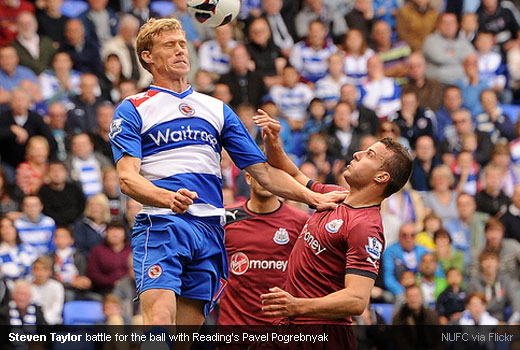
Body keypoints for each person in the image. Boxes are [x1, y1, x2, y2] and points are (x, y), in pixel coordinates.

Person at [110, 17, 347, 330]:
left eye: (183, 44)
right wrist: (167, 198)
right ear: (147, 56)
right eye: (170, 45)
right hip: (164, 223)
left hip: (209, 230)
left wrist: (311, 196)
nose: (181, 51)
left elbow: (262, 171)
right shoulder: (133, 108)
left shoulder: (216, 109)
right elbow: (127, 178)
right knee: (160, 322)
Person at [255, 112, 413, 324]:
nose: (357, 153)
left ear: (381, 177)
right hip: (290, 325)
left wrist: (297, 305)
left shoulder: (366, 227)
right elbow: (292, 176)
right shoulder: (334, 194)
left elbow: (357, 300)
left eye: (370, 155)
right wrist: (272, 141)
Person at [218, 171, 309, 325]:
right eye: (259, 174)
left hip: (279, 331)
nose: (265, 180)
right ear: (248, 178)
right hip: (233, 330)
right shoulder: (227, 218)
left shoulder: (301, 221)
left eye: (271, 175)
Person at [467, 250, 520, 324]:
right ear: (481, 264)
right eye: (486, 260)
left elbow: (515, 302)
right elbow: (470, 306)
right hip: (480, 321)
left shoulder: (505, 281)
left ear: (498, 263)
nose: (489, 264)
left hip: (501, 320)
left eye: (492, 259)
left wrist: (514, 321)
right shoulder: (473, 283)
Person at [423, 13, 475, 85]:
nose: (448, 26)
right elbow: (439, 58)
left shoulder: (463, 42)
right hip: (437, 84)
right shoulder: (431, 40)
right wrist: (462, 61)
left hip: (461, 85)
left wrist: (450, 55)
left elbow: (472, 59)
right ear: (439, 25)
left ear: (457, 25)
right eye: (445, 23)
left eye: (452, 23)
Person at [383, 222, 433, 296]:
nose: (408, 239)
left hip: (422, 293)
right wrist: (405, 293)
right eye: (404, 235)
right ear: (399, 236)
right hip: (399, 293)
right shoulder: (390, 252)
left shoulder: (424, 251)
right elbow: (389, 278)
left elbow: (436, 272)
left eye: (412, 235)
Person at [87, 220, 131, 294]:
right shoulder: (98, 250)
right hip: (105, 290)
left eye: (118, 230)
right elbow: (93, 273)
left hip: (131, 288)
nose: (115, 234)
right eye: (111, 230)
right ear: (106, 233)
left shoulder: (132, 249)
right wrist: (111, 282)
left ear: (124, 233)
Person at [0, 217, 37, 289]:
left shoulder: (29, 249)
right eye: (3, 227)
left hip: (32, 288)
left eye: (10, 226)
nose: (7, 230)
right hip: (8, 291)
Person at [30, 256, 64, 325]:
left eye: (44, 269)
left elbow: (57, 308)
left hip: (53, 323)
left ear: (50, 272)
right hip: (32, 322)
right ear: (32, 271)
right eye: (37, 269)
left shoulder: (57, 286)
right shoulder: (27, 287)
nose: (40, 273)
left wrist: (44, 320)